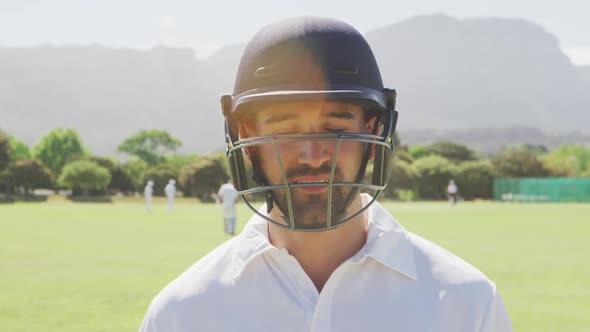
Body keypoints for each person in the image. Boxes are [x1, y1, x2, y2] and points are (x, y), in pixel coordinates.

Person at [139, 16, 512, 331]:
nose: (313, 155)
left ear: (372, 131)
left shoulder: (468, 305)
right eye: (285, 131)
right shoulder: (181, 315)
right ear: (247, 139)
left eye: (336, 127)